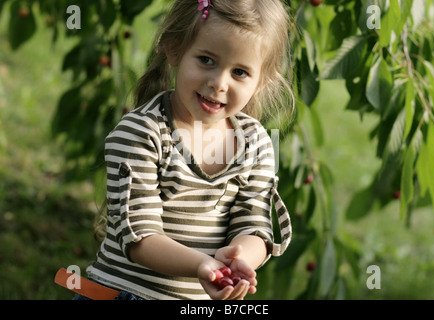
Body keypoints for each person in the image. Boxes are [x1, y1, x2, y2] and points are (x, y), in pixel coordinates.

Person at [75, 0, 293, 300]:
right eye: (206, 60)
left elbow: (254, 221)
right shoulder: (142, 133)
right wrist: (203, 265)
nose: (218, 83)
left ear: (262, 80)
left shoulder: (255, 143)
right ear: (175, 49)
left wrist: (240, 258)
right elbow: (140, 237)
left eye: (240, 72)